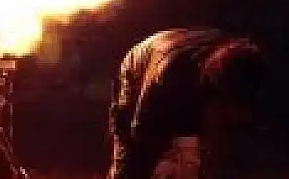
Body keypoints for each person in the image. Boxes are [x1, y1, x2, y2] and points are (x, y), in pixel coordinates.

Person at [107, 28, 266, 179]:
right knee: (132, 161)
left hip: (186, 62)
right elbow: (141, 134)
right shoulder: (167, 81)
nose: (238, 115)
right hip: (139, 67)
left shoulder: (249, 76)